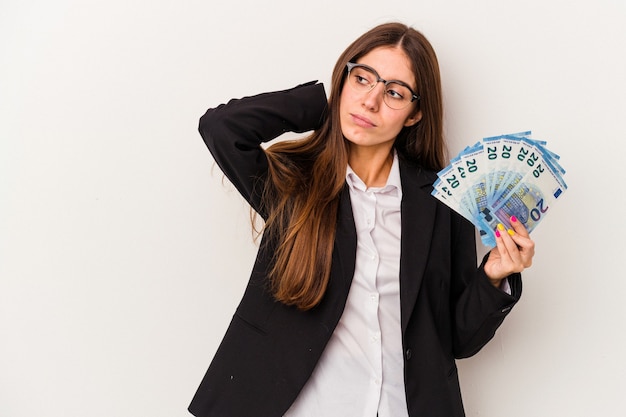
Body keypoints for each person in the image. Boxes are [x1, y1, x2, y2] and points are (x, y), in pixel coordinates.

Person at [188, 22, 535, 417]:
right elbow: (221, 127)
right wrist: (329, 103)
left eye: (393, 93)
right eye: (362, 78)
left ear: (414, 114)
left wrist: (493, 277)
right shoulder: (294, 184)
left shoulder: (442, 201)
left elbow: (456, 339)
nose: (370, 101)